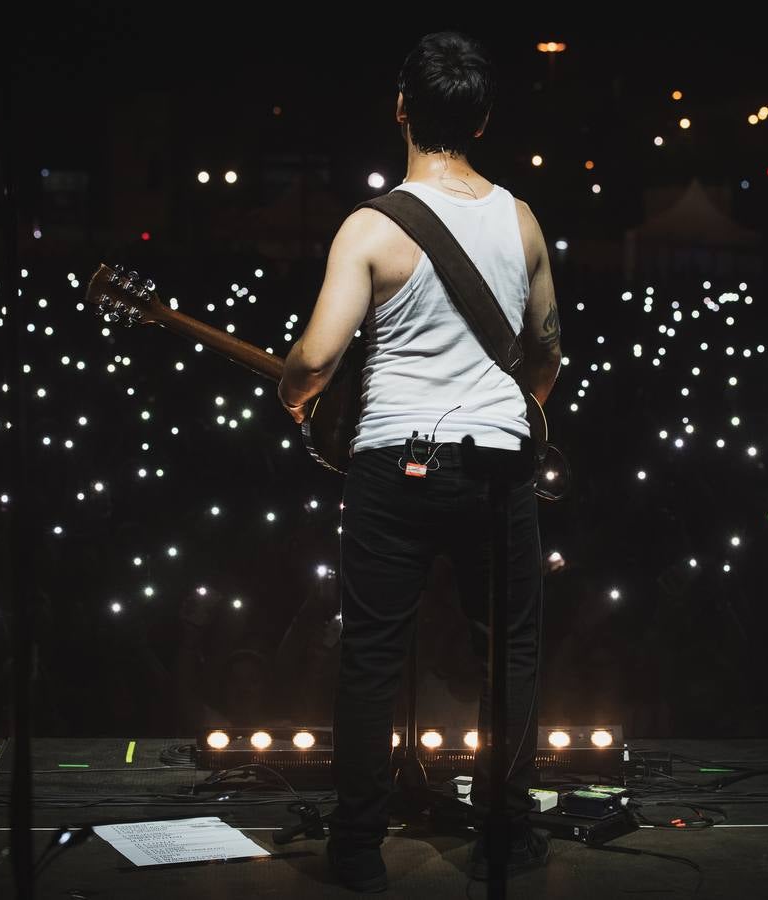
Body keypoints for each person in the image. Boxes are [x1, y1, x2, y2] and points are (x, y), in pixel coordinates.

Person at [277, 31, 563, 892]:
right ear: (482, 118)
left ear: (401, 107)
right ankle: (505, 833)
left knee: (371, 655)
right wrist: (507, 412)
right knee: (508, 654)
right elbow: (546, 354)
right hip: (498, 468)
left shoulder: (371, 227)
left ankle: (357, 848)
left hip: (391, 465)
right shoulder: (521, 220)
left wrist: (295, 396)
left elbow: (317, 358)